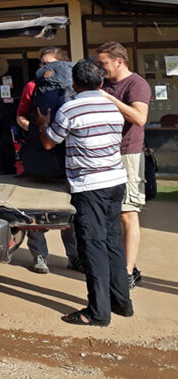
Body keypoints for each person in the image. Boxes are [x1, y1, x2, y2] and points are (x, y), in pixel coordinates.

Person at [35, 58, 131, 326]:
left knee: (92, 246)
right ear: (100, 82)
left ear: (74, 83)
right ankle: (122, 303)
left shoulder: (71, 109)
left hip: (90, 187)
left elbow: (48, 143)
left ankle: (98, 312)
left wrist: (44, 122)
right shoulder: (113, 106)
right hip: (115, 182)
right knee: (113, 242)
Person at [16, 47, 79, 274]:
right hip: (40, 151)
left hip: (65, 156)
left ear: (63, 64)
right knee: (36, 210)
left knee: (69, 212)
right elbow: (21, 115)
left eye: (49, 63)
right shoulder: (33, 86)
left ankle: (74, 256)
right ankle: (40, 256)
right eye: (41, 64)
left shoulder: (75, 85)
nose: (44, 68)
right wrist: (36, 130)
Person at [95, 42, 151, 289]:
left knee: (128, 214)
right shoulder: (103, 84)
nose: (100, 68)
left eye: (103, 63)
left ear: (119, 62)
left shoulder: (136, 84)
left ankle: (127, 274)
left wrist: (107, 97)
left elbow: (139, 118)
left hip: (127, 156)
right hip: (104, 156)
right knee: (112, 216)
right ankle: (127, 264)